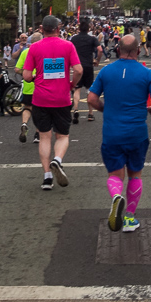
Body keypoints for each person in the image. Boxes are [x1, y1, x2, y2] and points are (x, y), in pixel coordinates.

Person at [87, 34, 151, 233]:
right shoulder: (147, 73)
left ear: (118, 49)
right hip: (137, 133)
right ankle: (130, 219)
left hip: (112, 133)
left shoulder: (106, 72)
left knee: (115, 174)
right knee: (135, 175)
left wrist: (106, 109)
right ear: (138, 51)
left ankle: (116, 197)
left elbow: (91, 98)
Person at [23, 16, 82, 190]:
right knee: (62, 136)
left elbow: (26, 76)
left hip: (40, 98)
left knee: (44, 137)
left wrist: (35, 77)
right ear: (58, 28)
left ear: (42, 29)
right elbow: (78, 69)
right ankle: (58, 160)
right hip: (61, 98)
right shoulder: (68, 45)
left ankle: (47, 176)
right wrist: (72, 83)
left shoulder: (34, 48)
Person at [70, 19, 102, 124]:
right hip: (88, 65)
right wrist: (97, 60)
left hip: (77, 66)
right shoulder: (92, 39)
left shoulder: (74, 39)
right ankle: (90, 113)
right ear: (88, 29)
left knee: (77, 89)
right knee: (89, 89)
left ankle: (75, 109)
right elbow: (100, 49)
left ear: (79, 29)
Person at [15, 33, 41, 143]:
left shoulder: (25, 52)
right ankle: (37, 134)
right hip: (40, 85)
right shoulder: (43, 52)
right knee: (40, 110)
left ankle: (24, 123)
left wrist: (26, 74)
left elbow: (17, 69)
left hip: (28, 84)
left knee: (27, 107)